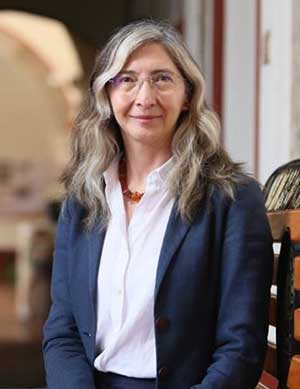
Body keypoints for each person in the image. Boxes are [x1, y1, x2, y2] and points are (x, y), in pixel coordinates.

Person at [43, 20, 273, 389]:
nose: (144, 97)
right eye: (127, 79)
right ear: (106, 95)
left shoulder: (231, 199)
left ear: (187, 95)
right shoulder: (84, 199)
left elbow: (239, 346)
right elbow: (63, 330)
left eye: (162, 78)